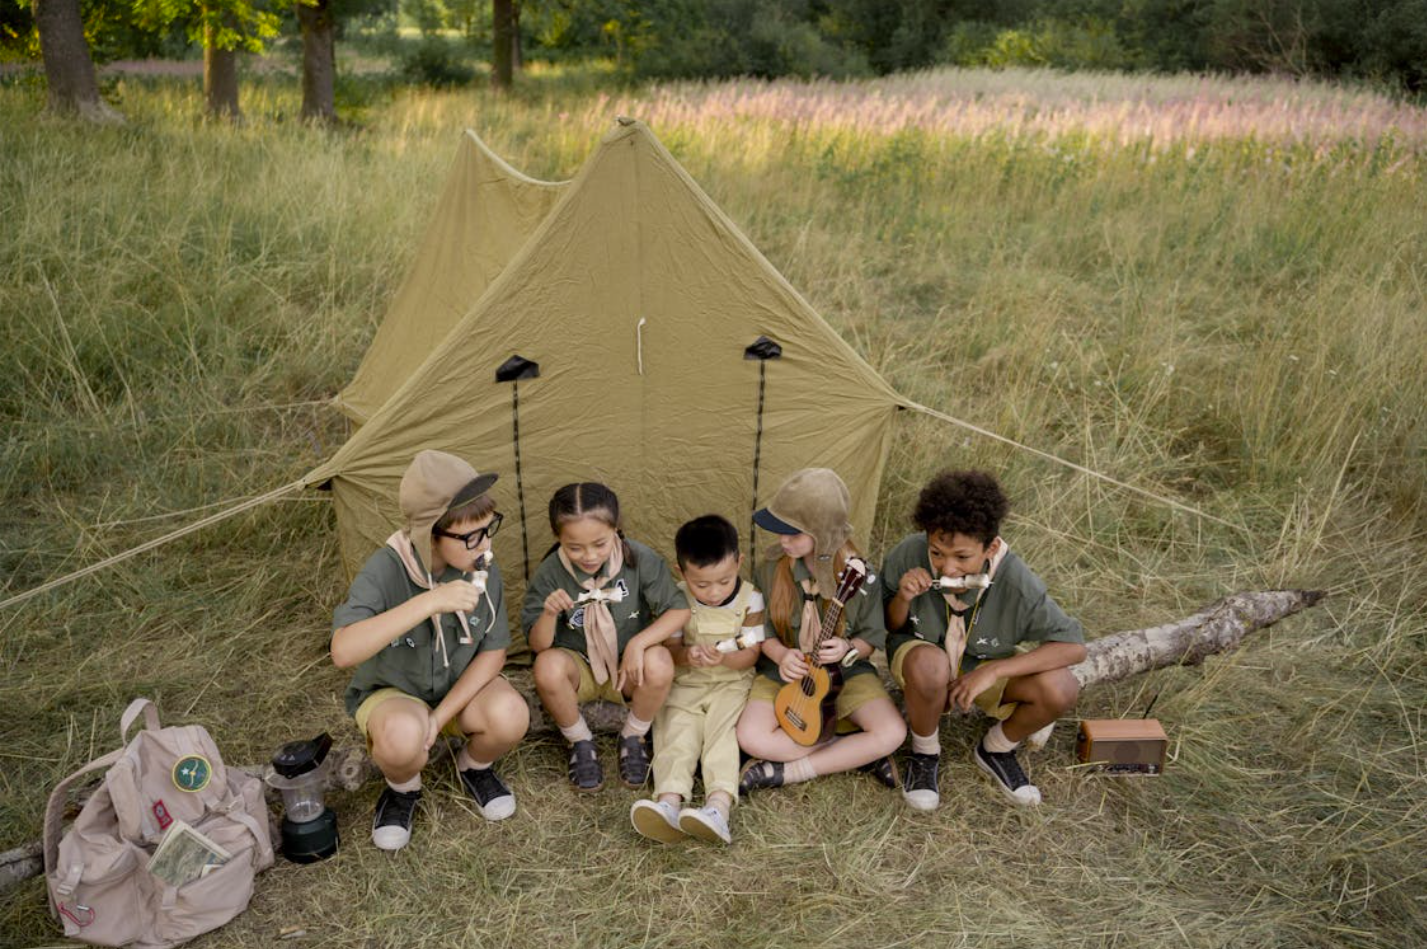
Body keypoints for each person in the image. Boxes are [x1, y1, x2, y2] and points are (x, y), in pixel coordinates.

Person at [331, 450, 530, 851]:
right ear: (430, 535)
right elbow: (343, 651)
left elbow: (493, 652)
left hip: (456, 692)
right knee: (403, 738)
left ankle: (474, 766)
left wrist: (439, 719)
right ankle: (403, 788)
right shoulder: (385, 569)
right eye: (472, 535)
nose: (485, 544)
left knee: (511, 715)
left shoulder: (480, 567)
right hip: (395, 694)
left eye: (489, 529)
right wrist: (427, 603)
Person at [883, 470, 1086, 809]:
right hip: (923, 660)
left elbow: (1073, 647)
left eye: (962, 557)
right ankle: (925, 753)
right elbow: (890, 626)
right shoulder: (908, 554)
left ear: (991, 546)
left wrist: (993, 672)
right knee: (930, 664)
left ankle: (996, 749)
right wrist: (903, 597)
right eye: (936, 552)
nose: (947, 567)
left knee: (1062, 687)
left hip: (983, 663)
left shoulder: (1016, 581)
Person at [735, 468, 906, 793]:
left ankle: (790, 771)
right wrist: (781, 655)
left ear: (824, 534)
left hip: (845, 674)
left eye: (794, 534)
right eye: (780, 531)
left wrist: (848, 648)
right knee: (750, 737)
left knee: (892, 732)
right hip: (783, 674)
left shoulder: (862, 576)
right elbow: (762, 630)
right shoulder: (770, 569)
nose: (783, 541)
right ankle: (854, 751)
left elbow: (872, 636)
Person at [524, 482, 691, 792]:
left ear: (616, 528)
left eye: (600, 543)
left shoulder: (639, 559)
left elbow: (678, 611)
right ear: (558, 538)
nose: (589, 555)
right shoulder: (550, 572)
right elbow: (538, 645)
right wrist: (548, 614)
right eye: (575, 547)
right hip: (579, 668)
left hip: (626, 668)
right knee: (546, 666)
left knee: (660, 659)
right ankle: (580, 741)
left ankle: (634, 735)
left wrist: (639, 644)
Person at [630, 515, 763, 845]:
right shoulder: (677, 600)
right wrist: (687, 655)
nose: (714, 592)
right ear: (681, 572)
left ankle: (718, 808)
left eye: (724, 581)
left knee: (722, 736)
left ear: (739, 563)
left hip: (731, 683)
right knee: (676, 731)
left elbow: (752, 652)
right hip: (686, 683)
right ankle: (669, 802)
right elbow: (671, 648)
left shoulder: (751, 599)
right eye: (701, 585)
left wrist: (726, 658)